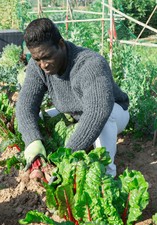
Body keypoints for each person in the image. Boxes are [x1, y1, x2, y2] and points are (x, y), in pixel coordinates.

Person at [16, 18, 129, 178]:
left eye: (46, 57)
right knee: (36, 121)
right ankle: (43, 162)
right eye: (37, 59)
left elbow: (97, 113)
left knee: (105, 119)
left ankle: (106, 174)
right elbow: (25, 106)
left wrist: (66, 156)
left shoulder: (90, 64)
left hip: (115, 112)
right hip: (76, 114)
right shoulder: (39, 66)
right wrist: (32, 140)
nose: (43, 65)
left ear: (61, 44)